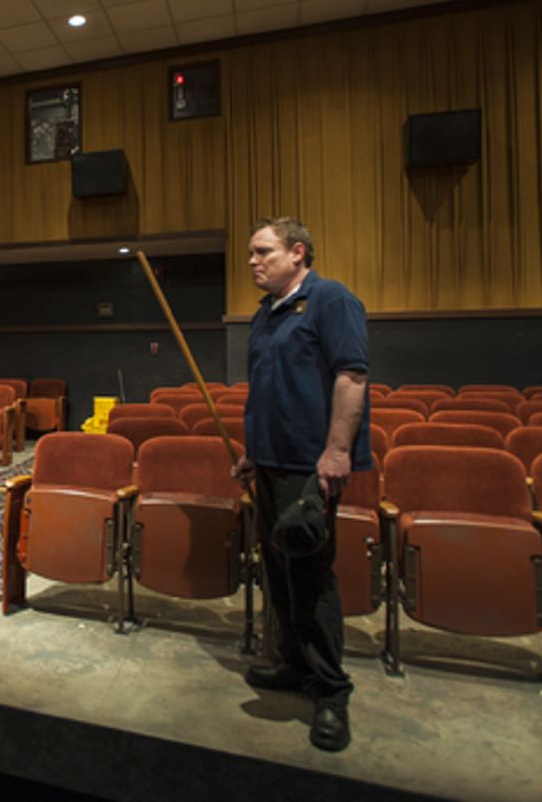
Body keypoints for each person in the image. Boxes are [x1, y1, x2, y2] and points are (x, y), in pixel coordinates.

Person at [231, 217, 370, 753]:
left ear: (298, 252)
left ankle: (331, 690)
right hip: (271, 464)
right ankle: (292, 664)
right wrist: (253, 452)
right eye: (250, 253)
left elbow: (351, 377)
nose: (252, 261)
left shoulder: (331, 300)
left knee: (310, 574)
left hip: (309, 469)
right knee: (277, 570)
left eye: (262, 251)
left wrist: (336, 453)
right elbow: (269, 391)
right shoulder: (266, 315)